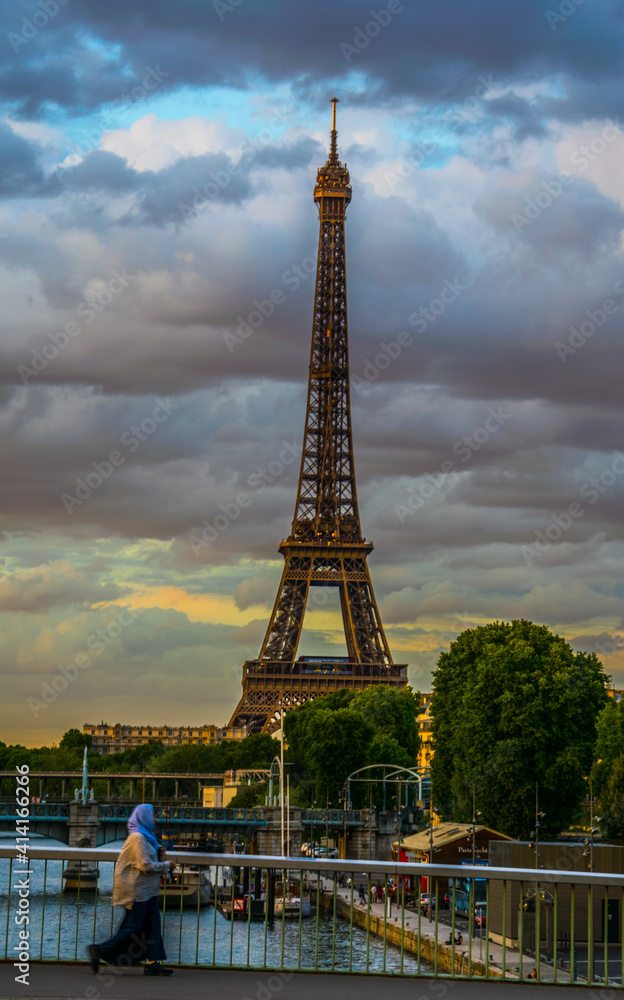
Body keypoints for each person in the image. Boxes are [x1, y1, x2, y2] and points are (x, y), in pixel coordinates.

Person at [87, 804, 174, 976]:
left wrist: (159, 852)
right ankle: (98, 950)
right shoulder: (137, 838)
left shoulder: (147, 838)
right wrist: (167, 865)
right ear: (144, 817)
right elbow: (145, 866)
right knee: (132, 928)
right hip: (138, 893)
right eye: (153, 815)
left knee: (153, 926)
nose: (155, 819)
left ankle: (152, 963)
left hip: (148, 891)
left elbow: (146, 858)